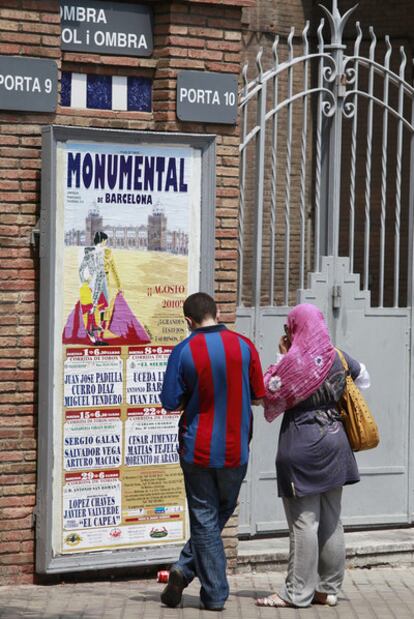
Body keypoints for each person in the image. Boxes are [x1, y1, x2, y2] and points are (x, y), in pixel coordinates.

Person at [256, 303, 370, 609]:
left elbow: (267, 391)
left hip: (302, 444)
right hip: (336, 441)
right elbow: (364, 379)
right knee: (332, 518)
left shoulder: (294, 362)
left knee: (304, 522)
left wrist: (282, 356)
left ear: (295, 328)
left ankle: (296, 593)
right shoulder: (337, 356)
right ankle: (327, 589)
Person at [160, 292, 265, 611]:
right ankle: (190, 572)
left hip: (197, 450)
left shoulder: (183, 350)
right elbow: (259, 397)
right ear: (218, 313)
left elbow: (169, 402)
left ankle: (211, 589)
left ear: (188, 321)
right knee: (217, 513)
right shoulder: (245, 346)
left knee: (205, 517)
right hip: (236, 449)